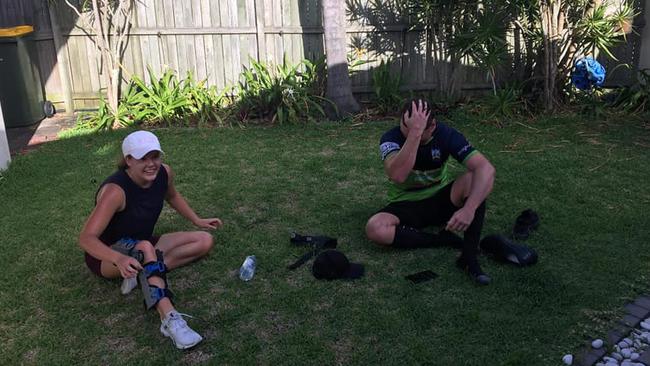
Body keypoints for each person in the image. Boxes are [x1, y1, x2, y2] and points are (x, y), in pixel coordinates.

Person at [79, 130, 223, 349]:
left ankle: (144, 273)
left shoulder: (164, 173)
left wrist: (197, 219)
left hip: (142, 243)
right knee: (146, 247)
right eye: (142, 158)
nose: (151, 164)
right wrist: (117, 258)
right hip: (106, 255)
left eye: (155, 156)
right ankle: (169, 319)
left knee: (204, 241)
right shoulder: (115, 191)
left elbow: (172, 196)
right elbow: (87, 238)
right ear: (128, 160)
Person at [365, 99, 496, 285]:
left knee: (474, 179)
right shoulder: (390, 138)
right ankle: (441, 240)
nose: (409, 130)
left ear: (432, 125)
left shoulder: (446, 134)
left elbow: (486, 169)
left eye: (418, 128)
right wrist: (415, 134)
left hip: (440, 198)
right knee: (375, 228)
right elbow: (398, 176)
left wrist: (469, 209)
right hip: (406, 203)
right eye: (406, 125)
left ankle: (469, 257)